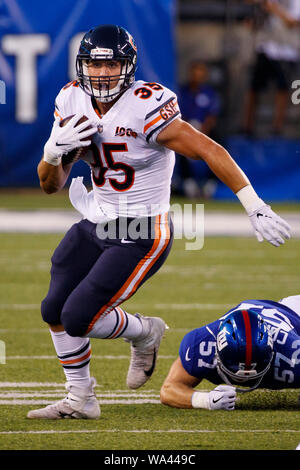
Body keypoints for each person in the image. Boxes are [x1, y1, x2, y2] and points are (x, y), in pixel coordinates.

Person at [28, 24, 291, 420]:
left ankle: (144, 331)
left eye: (112, 64)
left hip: (141, 230)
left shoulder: (146, 105)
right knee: (53, 309)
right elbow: (50, 185)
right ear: (82, 66)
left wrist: (252, 203)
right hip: (96, 219)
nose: (101, 74)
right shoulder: (70, 99)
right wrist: (52, 153)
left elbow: (207, 148)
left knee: (78, 316)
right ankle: (81, 398)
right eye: (94, 65)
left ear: (128, 66)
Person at [160, 295, 300, 411]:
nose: (245, 375)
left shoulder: (293, 352)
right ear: (218, 346)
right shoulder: (203, 342)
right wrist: (206, 401)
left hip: (294, 311)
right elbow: (169, 390)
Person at [242, 0, 300, 136]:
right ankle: (247, 126)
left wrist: (274, 8)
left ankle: (277, 128)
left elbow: (292, 22)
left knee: (282, 88)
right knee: (253, 87)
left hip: (287, 50)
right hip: (266, 47)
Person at [176, 61, 220, 198]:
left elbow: (212, 115)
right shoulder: (182, 92)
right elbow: (177, 113)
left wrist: (203, 130)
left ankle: (210, 183)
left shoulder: (210, 93)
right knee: (176, 144)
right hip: (185, 129)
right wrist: (188, 129)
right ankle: (188, 182)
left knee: (217, 145)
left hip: (205, 129)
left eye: (200, 73)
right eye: (195, 73)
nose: (197, 76)